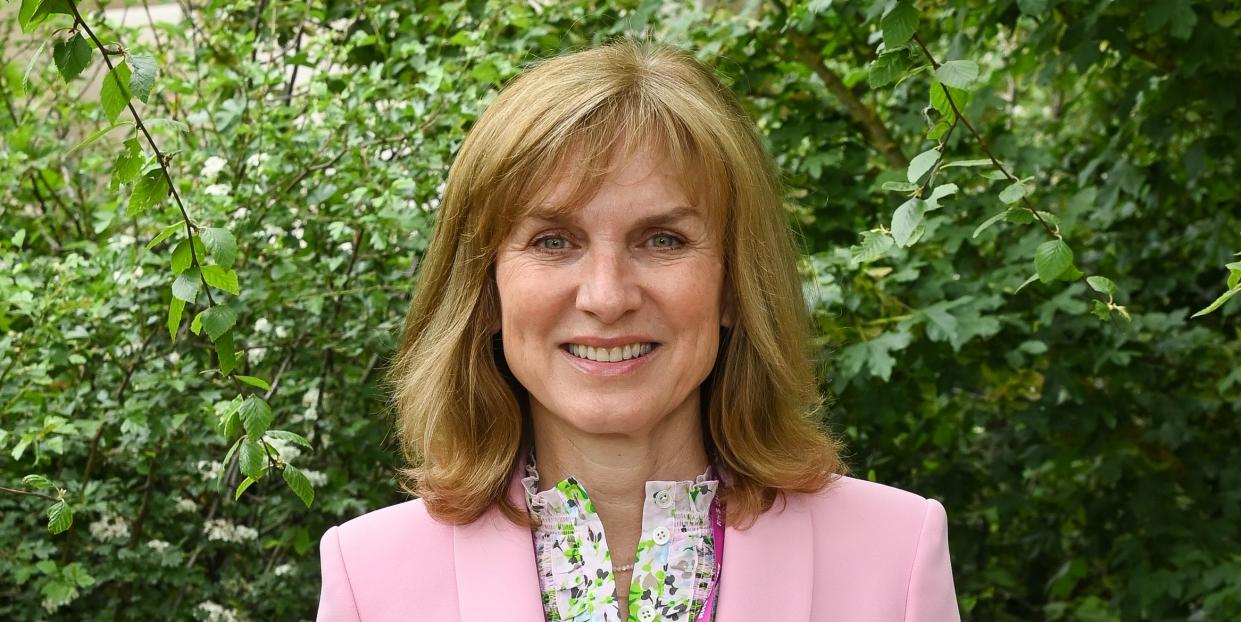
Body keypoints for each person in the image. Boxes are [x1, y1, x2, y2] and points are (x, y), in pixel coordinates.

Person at [317, 39, 960, 622]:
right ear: (485, 290)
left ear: (735, 283)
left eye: (662, 239)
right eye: (552, 240)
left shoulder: (895, 555)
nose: (607, 296)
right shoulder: (369, 578)